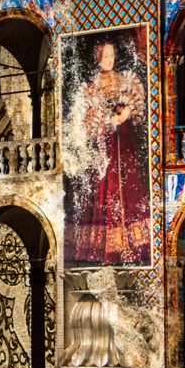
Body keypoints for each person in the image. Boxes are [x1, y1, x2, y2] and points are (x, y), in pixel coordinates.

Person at [69, 39, 149, 266]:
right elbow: (87, 118)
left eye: (112, 55)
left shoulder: (124, 80)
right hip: (105, 144)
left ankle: (133, 242)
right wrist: (106, 120)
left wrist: (126, 113)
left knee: (128, 184)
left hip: (124, 143)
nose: (110, 60)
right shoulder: (92, 86)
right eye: (106, 56)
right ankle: (105, 245)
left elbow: (135, 107)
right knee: (105, 187)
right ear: (99, 59)